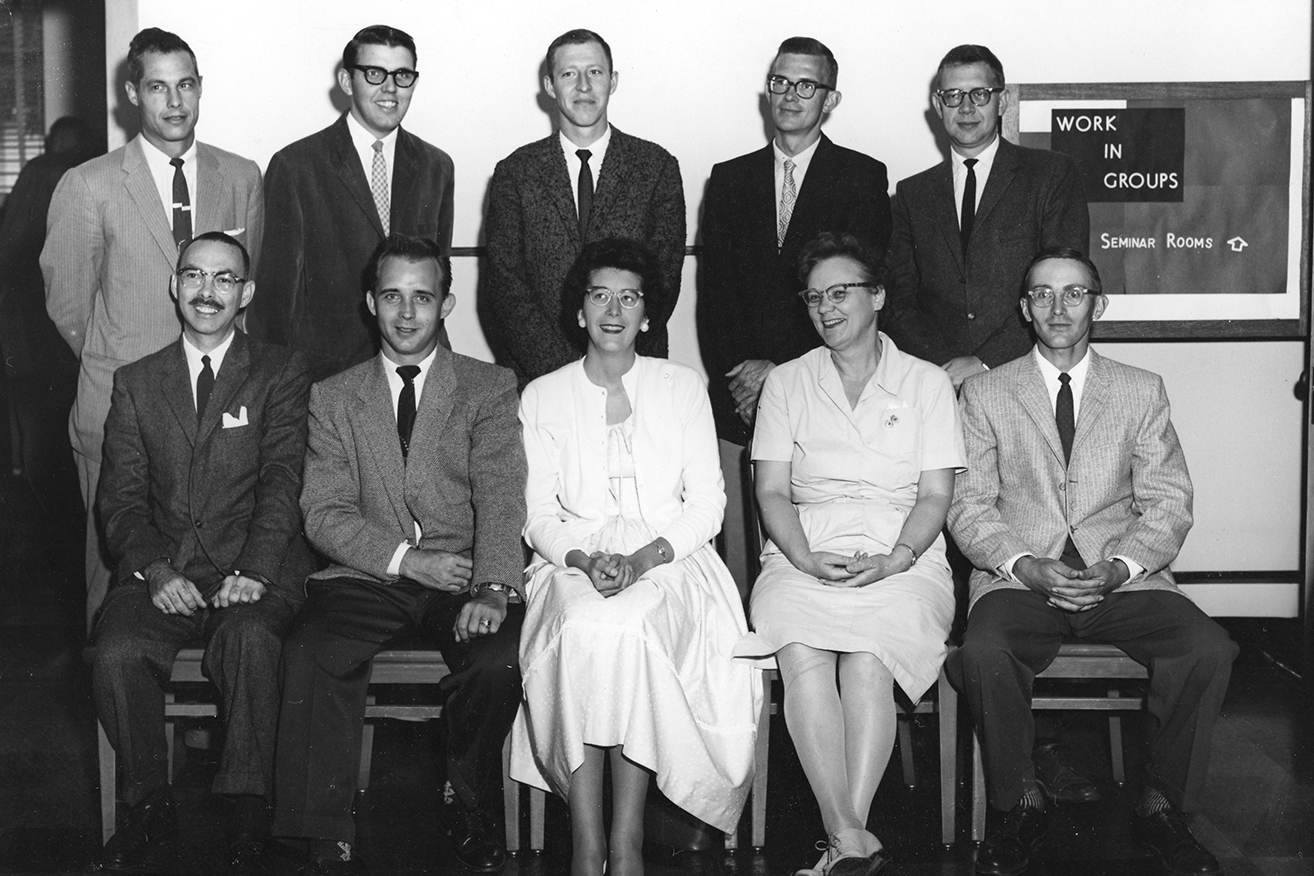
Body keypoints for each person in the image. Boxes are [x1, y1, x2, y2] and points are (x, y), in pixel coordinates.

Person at [946, 248, 1237, 876]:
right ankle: (1018, 803)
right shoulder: (985, 392)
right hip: (1018, 579)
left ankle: (1163, 806)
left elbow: (1169, 502)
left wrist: (1120, 568)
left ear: (1097, 305)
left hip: (1125, 583)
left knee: (1208, 648)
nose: (1057, 307)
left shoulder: (1141, 389)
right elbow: (968, 505)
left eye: (1073, 293)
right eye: (1043, 294)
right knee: (983, 651)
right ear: (1024, 308)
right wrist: (1023, 565)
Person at [272, 234, 526, 876]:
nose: (407, 314)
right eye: (392, 296)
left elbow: (500, 495)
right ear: (370, 302)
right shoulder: (334, 396)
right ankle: (320, 831)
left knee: (494, 663)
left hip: (464, 579)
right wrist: (406, 560)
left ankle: (469, 808)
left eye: (422, 297)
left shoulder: (488, 387)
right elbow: (324, 511)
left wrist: (495, 587)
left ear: (447, 303)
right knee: (309, 650)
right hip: (367, 576)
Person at [510, 238, 761, 876]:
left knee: (632, 625)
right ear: (579, 311)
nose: (614, 310)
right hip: (570, 559)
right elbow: (538, 513)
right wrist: (585, 559)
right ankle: (587, 840)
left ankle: (626, 842)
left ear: (649, 314)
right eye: (600, 295)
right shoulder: (542, 395)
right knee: (586, 622)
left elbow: (707, 503)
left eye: (630, 297)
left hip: (673, 558)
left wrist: (644, 559)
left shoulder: (681, 387)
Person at [735, 233, 964, 876]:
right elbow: (771, 490)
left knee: (869, 653)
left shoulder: (925, 383)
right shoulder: (785, 382)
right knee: (801, 646)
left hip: (905, 553)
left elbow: (935, 496)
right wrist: (805, 558)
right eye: (814, 298)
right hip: (803, 548)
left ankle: (845, 834)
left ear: (879, 297)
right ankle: (849, 839)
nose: (826, 308)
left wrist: (894, 560)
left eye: (841, 292)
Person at [92, 231, 313, 875]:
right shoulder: (136, 382)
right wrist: (155, 570)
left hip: (256, 568)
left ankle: (248, 815)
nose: (207, 291)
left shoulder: (279, 369)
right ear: (174, 285)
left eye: (224, 279)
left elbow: (283, 482)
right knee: (117, 650)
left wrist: (255, 570)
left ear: (245, 293)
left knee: (249, 640)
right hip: (165, 572)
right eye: (194, 276)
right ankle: (148, 810)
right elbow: (122, 501)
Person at [41, 27, 264, 632]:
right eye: (158, 87)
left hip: (217, 414)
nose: (174, 102)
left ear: (200, 91)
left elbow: (242, 294)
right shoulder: (88, 185)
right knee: (114, 588)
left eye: (186, 85)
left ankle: (198, 726)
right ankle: (116, 728)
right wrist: (127, 366)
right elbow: (69, 309)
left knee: (217, 581)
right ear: (131, 93)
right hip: (117, 408)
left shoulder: (242, 176)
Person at [699, 35, 891, 596]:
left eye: (805, 85)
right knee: (741, 564)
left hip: (821, 384)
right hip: (739, 396)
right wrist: (743, 373)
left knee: (815, 557)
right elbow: (714, 296)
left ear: (829, 99)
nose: (789, 95)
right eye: (779, 81)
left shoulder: (862, 175)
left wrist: (780, 372)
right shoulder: (730, 177)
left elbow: (851, 295)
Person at [247, 24, 454, 382]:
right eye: (374, 73)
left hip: (418, 372)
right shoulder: (297, 165)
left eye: (402, 75)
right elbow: (274, 306)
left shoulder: (437, 166)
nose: (390, 88)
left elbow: (438, 282)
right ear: (346, 81)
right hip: (326, 377)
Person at [482, 28, 685, 387]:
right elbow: (506, 287)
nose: (583, 86)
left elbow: (662, 281)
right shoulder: (515, 172)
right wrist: (567, 375)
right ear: (549, 86)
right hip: (538, 378)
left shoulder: (656, 167)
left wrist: (611, 367)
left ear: (613, 80)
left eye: (595, 72)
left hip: (635, 375)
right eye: (568, 74)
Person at [883, 44, 1088, 391]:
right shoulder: (911, 194)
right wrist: (945, 370)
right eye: (953, 95)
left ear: (1002, 101)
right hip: (940, 386)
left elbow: (1063, 289)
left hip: (1027, 377)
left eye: (979, 94)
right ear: (937, 105)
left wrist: (985, 362)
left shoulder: (1050, 174)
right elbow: (900, 303)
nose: (966, 108)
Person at [0, 116, 98, 534]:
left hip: (26, 323)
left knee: (37, 425)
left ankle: (48, 519)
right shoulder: (87, 175)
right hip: (67, 329)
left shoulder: (37, 172)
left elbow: (10, 243)